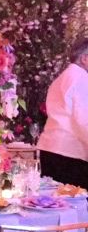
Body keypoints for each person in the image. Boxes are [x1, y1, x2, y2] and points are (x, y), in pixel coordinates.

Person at [38, 39, 88, 187]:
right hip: (69, 154)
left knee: (54, 198)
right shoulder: (81, 79)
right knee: (74, 199)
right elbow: (84, 119)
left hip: (52, 149)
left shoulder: (64, 77)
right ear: (85, 59)